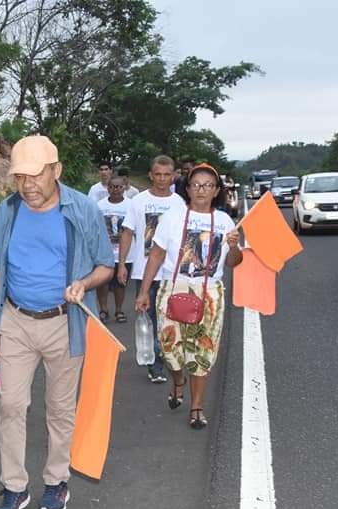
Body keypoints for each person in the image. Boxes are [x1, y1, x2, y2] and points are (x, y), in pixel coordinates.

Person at [0, 135, 113, 509]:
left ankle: (57, 480)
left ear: (56, 171)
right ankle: (14, 487)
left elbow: (106, 265)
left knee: (59, 409)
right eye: (20, 177)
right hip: (17, 320)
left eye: (36, 176)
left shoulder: (83, 209)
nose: (27, 186)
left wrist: (84, 284)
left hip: (65, 321)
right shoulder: (7, 211)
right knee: (10, 405)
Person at [134, 164, 242, 430]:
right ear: (188, 188)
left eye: (207, 185)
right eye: (196, 185)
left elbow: (234, 262)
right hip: (173, 288)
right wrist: (144, 290)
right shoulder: (172, 217)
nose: (201, 190)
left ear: (216, 190)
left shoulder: (226, 222)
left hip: (209, 295)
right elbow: (157, 254)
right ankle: (178, 380)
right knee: (170, 352)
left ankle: (196, 406)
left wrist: (232, 246)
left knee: (202, 352)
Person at [117, 155, 186, 384]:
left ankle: (169, 357)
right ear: (150, 175)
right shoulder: (138, 202)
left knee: (171, 318)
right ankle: (155, 364)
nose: (162, 179)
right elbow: (127, 232)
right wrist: (122, 264)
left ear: (174, 175)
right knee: (151, 318)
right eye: (158, 174)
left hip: (171, 272)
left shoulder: (179, 203)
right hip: (143, 271)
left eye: (167, 175)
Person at [97, 175, 135, 324]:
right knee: (102, 283)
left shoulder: (131, 205)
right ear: (108, 188)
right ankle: (103, 309)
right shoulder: (100, 205)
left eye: (119, 187)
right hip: (105, 252)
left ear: (124, 187)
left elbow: (136, 229)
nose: (115, 190)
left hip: (125, 254)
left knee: (120, 283)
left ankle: (119, 310)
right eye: (112, 187)